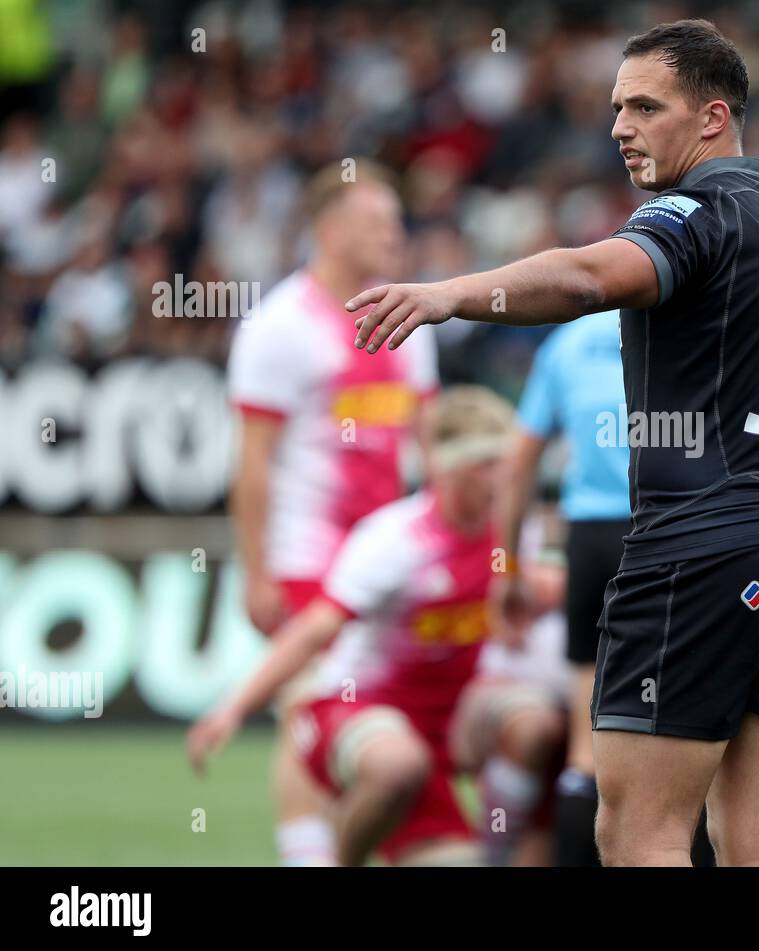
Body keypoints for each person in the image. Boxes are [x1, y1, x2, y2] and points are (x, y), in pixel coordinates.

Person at [346, 19, 759, 866]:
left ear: (712, 119)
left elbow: (588, 277)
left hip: (698, 553)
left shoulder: (696, 210)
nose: (620, 125)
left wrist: (449, 294)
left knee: (638, 833)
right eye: (617, 107)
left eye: (646, 106)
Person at [189, 386, 510, 866]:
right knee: (398, 764)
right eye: (488, 464)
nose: (502, 478)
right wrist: (233, 709)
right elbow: (314, 632)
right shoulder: (398, 541)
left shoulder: (514, 532)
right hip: (357, 711)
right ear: (449, 467)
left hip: (448, 729)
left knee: (532, 730)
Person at [226, 160, 439, 865]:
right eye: (375, 222)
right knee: (309, 715)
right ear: (327, 228)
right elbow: (252, 461)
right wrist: (256, 572)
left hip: (385, 563)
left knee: (375, 717)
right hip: (305, 557)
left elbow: (430, 442)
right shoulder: (280, 325)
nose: (393, 235)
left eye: (396, 222)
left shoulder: (409, 313)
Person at [491, 310, 632, 866]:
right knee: (685, 738)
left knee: (586, 742)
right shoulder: (691, 320)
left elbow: (519, 461)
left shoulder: (567, 341)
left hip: (593, 539)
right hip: (675, 532)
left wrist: (504, 569)